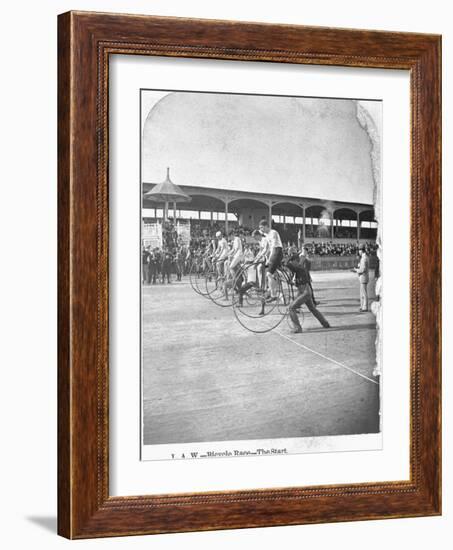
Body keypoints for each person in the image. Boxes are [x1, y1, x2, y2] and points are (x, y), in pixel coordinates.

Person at [285, 251, 331, 333]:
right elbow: (299, 283)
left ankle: (297, 328)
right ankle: (325, 323)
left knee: (291, 308)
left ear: (296, 260)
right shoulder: (300, 268)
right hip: (306, 292)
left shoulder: (299, 267)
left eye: (293, 261)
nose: (292, 263)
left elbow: (287, 264)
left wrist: (286, 260)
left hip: (305, 293)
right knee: (313, 309)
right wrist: (292, 283)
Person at [257, 219, 283, 302]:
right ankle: (271, 288)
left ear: (266, 226)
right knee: (267, 272)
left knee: (268, 274)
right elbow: (267, 249)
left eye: (262, 228)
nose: (261, 230)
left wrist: (270, 259)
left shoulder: (273, 233)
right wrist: (260, 257)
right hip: (273, 252)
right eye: (260, 228)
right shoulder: (267, 235)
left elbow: (274, 248)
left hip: (277, 252)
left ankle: (273, 295)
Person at [354, 245, 370, 312]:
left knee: (364, 293)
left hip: (363, 276)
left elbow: (362, 270)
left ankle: (365, 307)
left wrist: (356, 270)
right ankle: (362, 306)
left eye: (359, 250)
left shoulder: (364, 258)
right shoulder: (364, 257)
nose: (359, 252)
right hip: (363, 277)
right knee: (362, 293)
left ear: (361, 250)